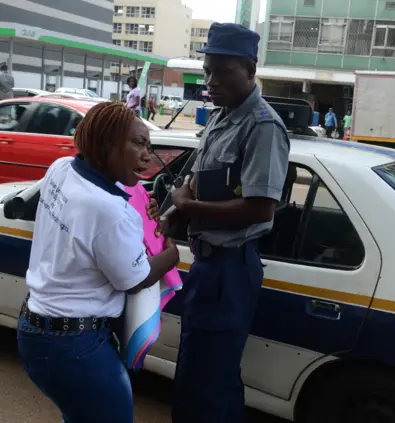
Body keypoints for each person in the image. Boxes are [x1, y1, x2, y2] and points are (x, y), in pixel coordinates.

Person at [158, 22, 290, 423]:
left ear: (250, 70)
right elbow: (198, 178)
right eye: (207, 71)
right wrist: (170, 211)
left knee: (209, 380)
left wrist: (190, 207)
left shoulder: (262, 126)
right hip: (208, 265)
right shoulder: (222, 117)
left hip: (231, 268)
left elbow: (259, 209)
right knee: (198, 371)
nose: (210, 81)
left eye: (222, 71)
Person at [16, 102, 180, 423]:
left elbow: (107, 196)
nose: (148, 155)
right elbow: (134, 280)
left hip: (35, 331)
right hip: (76, 347)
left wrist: (145, 210)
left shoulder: (61, 168)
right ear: (108, 145)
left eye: (149, 145)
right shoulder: (111, 212)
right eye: (139, 144)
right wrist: (171, 251)